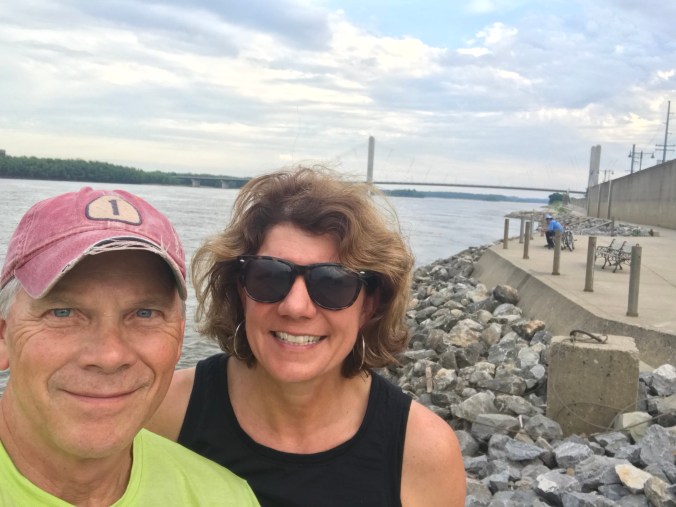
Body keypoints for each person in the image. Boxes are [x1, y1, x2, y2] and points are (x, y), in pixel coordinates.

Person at [148, 167, 466, 506]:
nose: (296, 307)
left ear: (369, 306)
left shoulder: (423, 453)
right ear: (241, 292)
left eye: (333, 283)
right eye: (268, 276)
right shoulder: (161, 411)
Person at [0, 187, 259, 506]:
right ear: (3, 335)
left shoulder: (223, 498)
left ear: (178, 338)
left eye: (144, 313)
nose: (110, 355)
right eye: (63, 312)